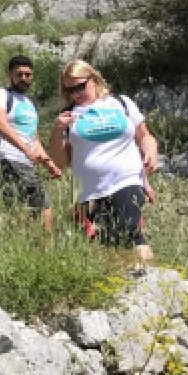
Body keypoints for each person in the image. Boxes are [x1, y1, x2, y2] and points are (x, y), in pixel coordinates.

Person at [48, 60, 157, 263]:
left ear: (95, 80)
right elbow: (59, 162)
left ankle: (153, 278)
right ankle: (128, 281)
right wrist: (56, 132)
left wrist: (150, 152)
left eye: (80, 86)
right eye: (70, 90)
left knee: (129, 228)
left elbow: (144, 136)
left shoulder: (121, 103)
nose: (76, 94)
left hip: (127, 179)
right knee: (108, 242)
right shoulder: (68, 117)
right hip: (90, 191)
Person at [0, 55, 61, 232]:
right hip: (6, 160)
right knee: (37, 208)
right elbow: (0, 125)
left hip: (26, 162)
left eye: (28, 75)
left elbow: (33, 138)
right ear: (10, 75)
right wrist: (26, 150)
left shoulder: (30, 103)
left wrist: (49, 164)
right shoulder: (0, 95)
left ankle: (35, 247)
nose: (24, 79)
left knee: (33, 210)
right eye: (19, 74)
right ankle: (44, 249)